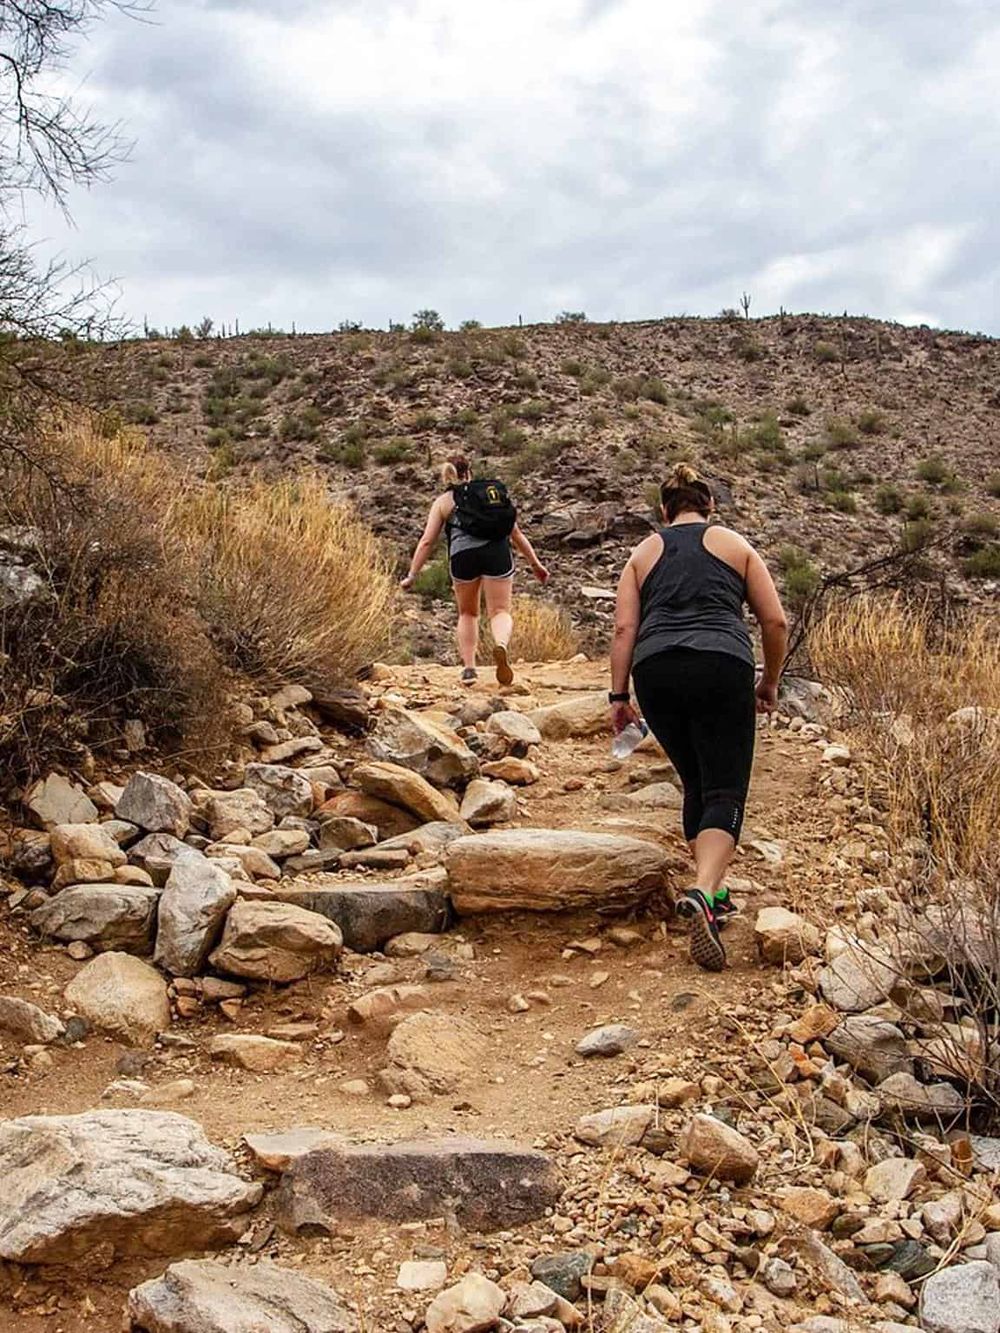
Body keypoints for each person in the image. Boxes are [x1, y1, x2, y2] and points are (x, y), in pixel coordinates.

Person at [609, 462, 788, 972]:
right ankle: (705, 893)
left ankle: (715, 892)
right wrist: (769, 680)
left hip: (656, 670)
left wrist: (618, 698)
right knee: (726, 788)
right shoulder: (735, 545)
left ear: (664, 511)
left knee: (695, 782)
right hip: (720, 664)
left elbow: (624, 630)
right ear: (709, 507)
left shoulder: (642, 554)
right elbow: (773, 621)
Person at [401, 455, 549, 685]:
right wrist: (536, 565)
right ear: (469, 472)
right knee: (500, 611)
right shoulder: (491, 496)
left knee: (467, 613)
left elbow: (427, 542)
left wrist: (412, 575)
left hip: (462, 558)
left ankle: (469, 669)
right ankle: (500, 644)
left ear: (446, 475)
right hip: (497, 553)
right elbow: (516, 534)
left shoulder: (444, 501)